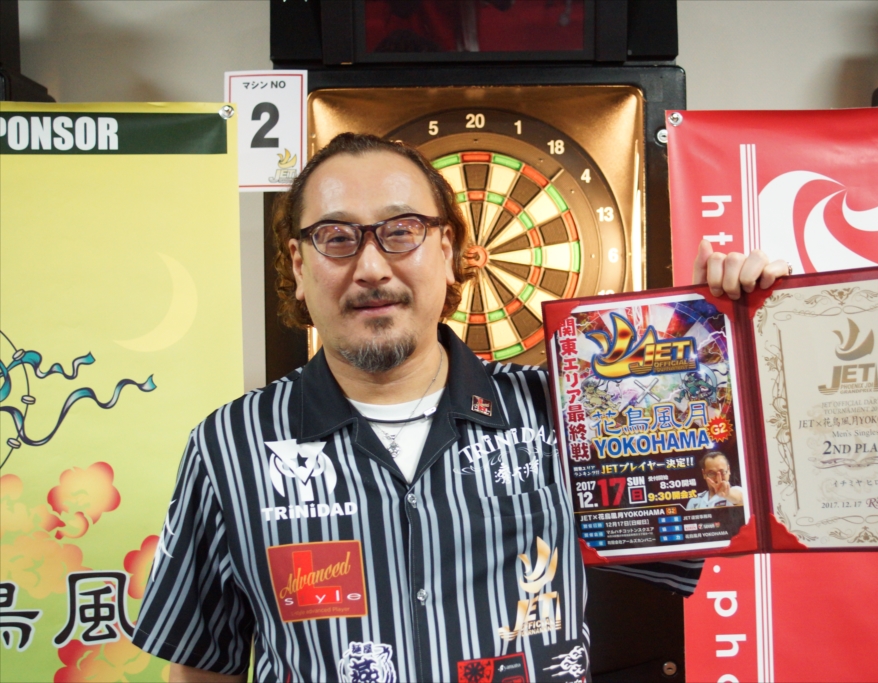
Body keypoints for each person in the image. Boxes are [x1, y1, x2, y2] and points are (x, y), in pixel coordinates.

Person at [131, 133, 788, 683]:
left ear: (449, 252)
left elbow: (710, 504)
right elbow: (201, 665)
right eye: (336, 237)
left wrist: (724, 345)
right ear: (298, 267)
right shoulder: (229, 447)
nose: (371, 267)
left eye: (402, 231)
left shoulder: (566, 412)